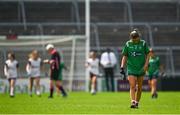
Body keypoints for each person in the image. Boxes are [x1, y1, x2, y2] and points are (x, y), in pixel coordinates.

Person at [120, 29, 150, 108]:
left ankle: (137, 102)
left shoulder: (143, 43)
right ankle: (133, 102)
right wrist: (122, 66)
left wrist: (146, 64)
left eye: (136, 37)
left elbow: (148, 54)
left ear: (138, 37)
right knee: (132, 86)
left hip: (141, 68)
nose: (135, 39)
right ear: (131, 37)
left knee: (139, 87)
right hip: (131, 68)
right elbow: (125, 56)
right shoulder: (128, 44)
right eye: (133, 38)